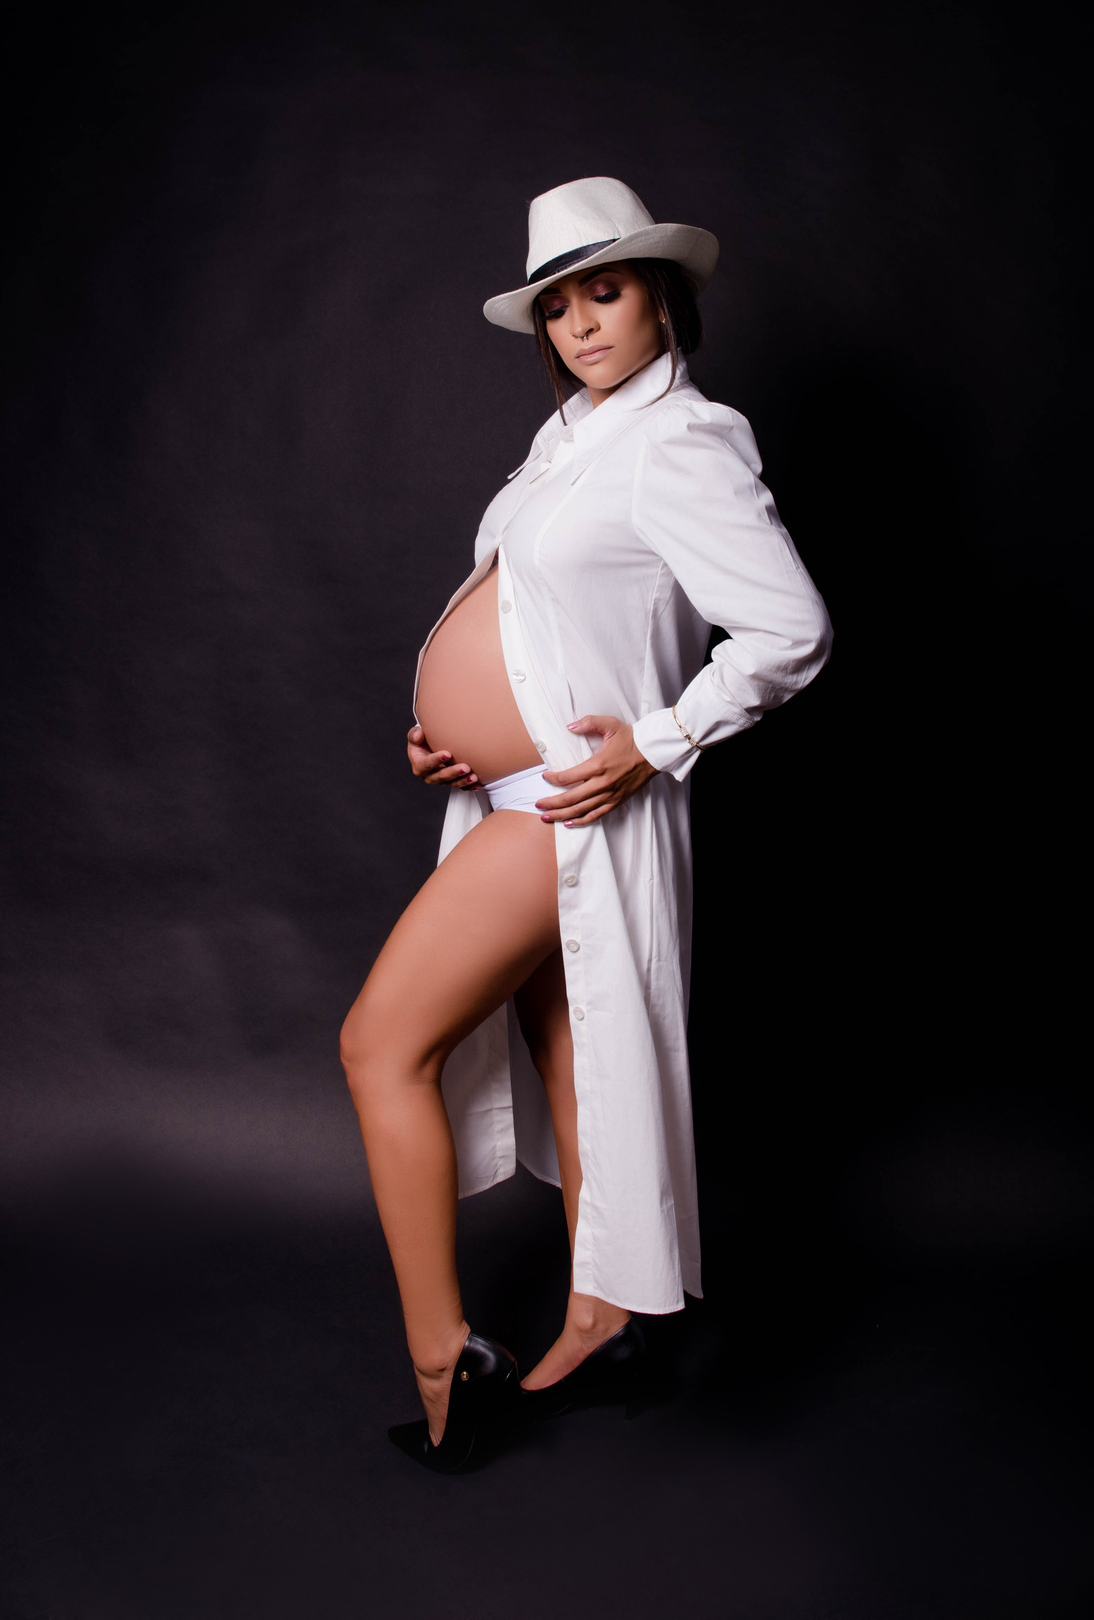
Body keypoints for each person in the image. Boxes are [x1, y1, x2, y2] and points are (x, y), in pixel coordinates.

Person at [340, 176, 832, 1471]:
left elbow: (790, 630)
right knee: (573, 1051)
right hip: (501, 792)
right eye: (557, 308)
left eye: (604, 294)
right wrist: (452, 729)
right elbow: (530, 619)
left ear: (661, 296)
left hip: (572, 805)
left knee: (380, 1046)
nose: (580, 325)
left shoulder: (683, 441)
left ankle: (445, 1362)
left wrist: (656, 742)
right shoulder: (565, 444)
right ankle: (608, 1317)